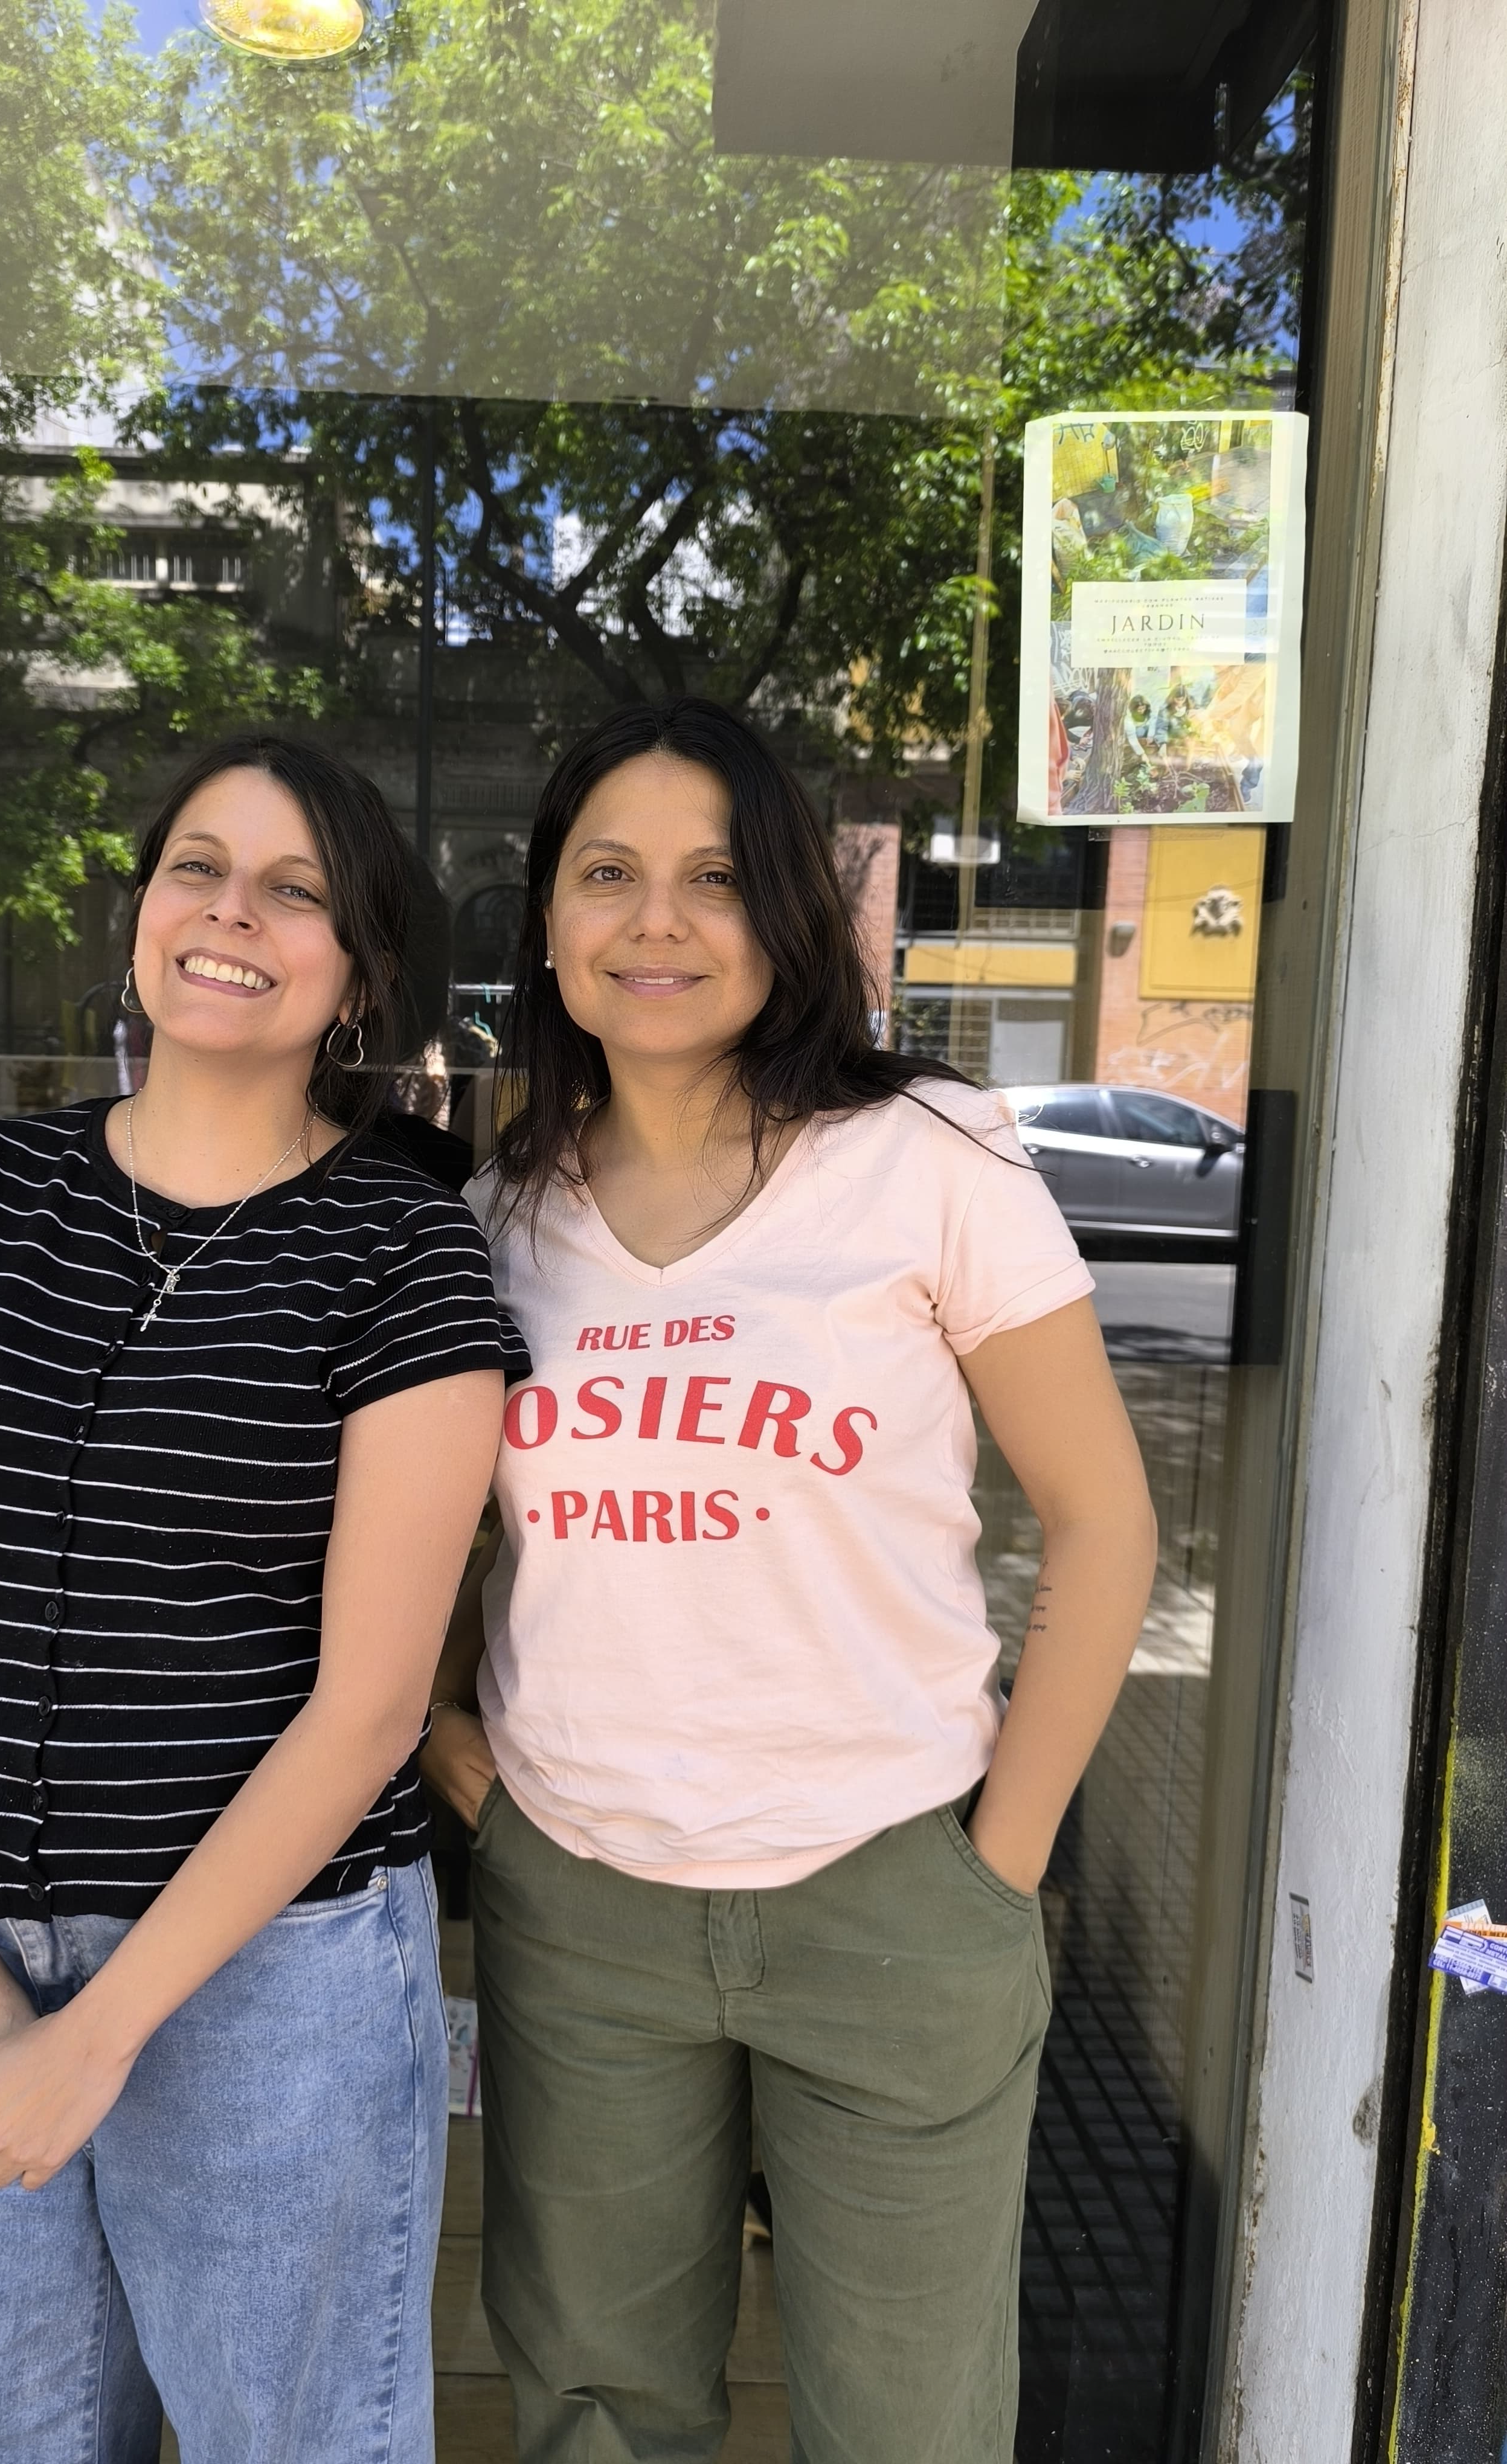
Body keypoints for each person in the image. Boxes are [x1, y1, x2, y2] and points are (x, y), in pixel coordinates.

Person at [422, 698, 1158, 2464]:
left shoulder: (932, 1158)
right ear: (547, 921)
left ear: (786, 920)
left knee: (904, 2428)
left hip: (889, 1899)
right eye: (608, 874)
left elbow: (1103, 1524)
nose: (655, 922)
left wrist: (1000, 1865)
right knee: (599, 2410)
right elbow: (426, 1538)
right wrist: (461, 1759)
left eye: (713, 879)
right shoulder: (496, 1214)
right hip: (581, 1910)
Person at [0, 733, 524, 2464]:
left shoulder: (403, 1250)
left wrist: (102, 2035)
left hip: (267, 1986)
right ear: (139, 914)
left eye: (295, 892)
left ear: (355, 978)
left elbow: (367, 1709)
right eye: (196, 868)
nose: (231, 914)